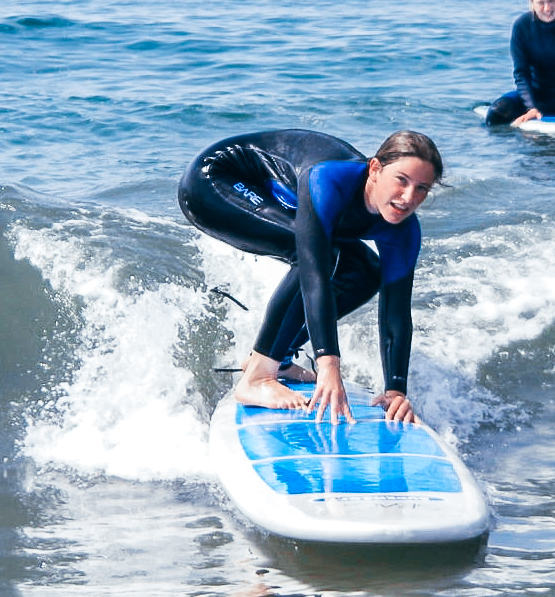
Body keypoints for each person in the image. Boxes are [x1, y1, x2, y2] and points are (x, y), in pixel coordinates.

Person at [178, 129, 444, 425]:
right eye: (401, 181)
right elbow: (314, 275)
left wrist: (396, 391)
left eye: (422, 188)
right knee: (316, 255)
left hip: (276, 200)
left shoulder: (404, 230)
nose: (408, 198)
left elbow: (396, 311)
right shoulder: (329, 180)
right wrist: (328, 363)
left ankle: (280, 360)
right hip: (215, 182)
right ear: (375, 169)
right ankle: (257, 376)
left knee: (365, 272)